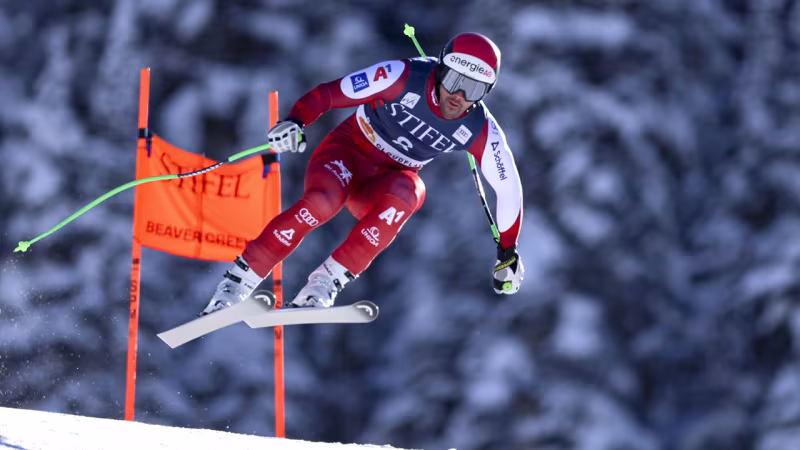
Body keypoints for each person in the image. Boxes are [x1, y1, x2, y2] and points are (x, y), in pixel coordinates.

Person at [201, 32, 524, 315]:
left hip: (384, 185)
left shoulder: (480, 128)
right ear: (440, 70)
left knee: (412, 192)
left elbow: (508, 186)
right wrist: (296, 121)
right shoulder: (402, 75)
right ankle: (236, 284)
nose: (459, 96)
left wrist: (507, 252)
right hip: (347, 155)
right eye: (454, 81)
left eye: (473, 89)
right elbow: (331, 93)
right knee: (323, 202)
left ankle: (323, 285)